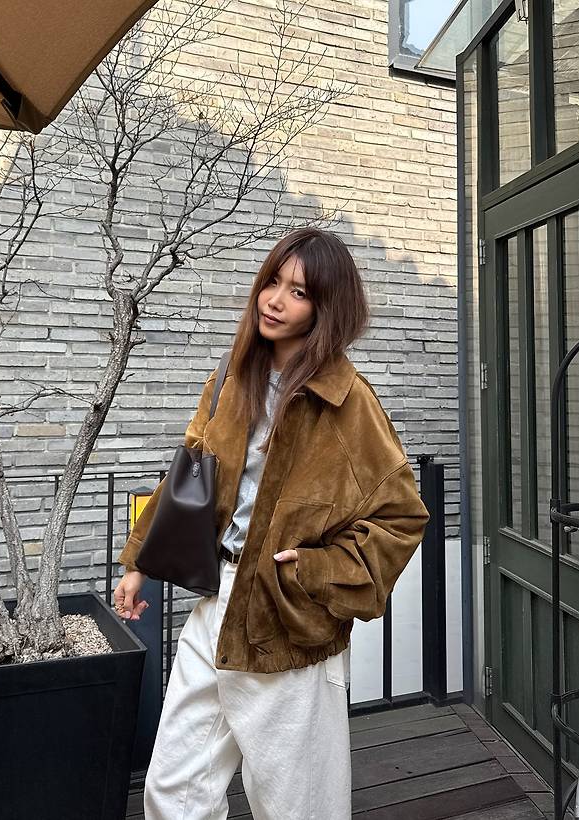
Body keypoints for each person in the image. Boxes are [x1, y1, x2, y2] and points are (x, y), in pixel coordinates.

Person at [114, 227, 430, 820]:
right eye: (273, 282)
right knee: (174, 789)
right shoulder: (231, 381)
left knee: (294, 805)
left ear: (326, 308)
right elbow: (188, 475)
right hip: (217, 604)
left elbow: (401, 515)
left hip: (289, 617)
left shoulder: (348, 403)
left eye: (299, 292)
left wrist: (316, 572)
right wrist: (139, 563)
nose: (275, 300)